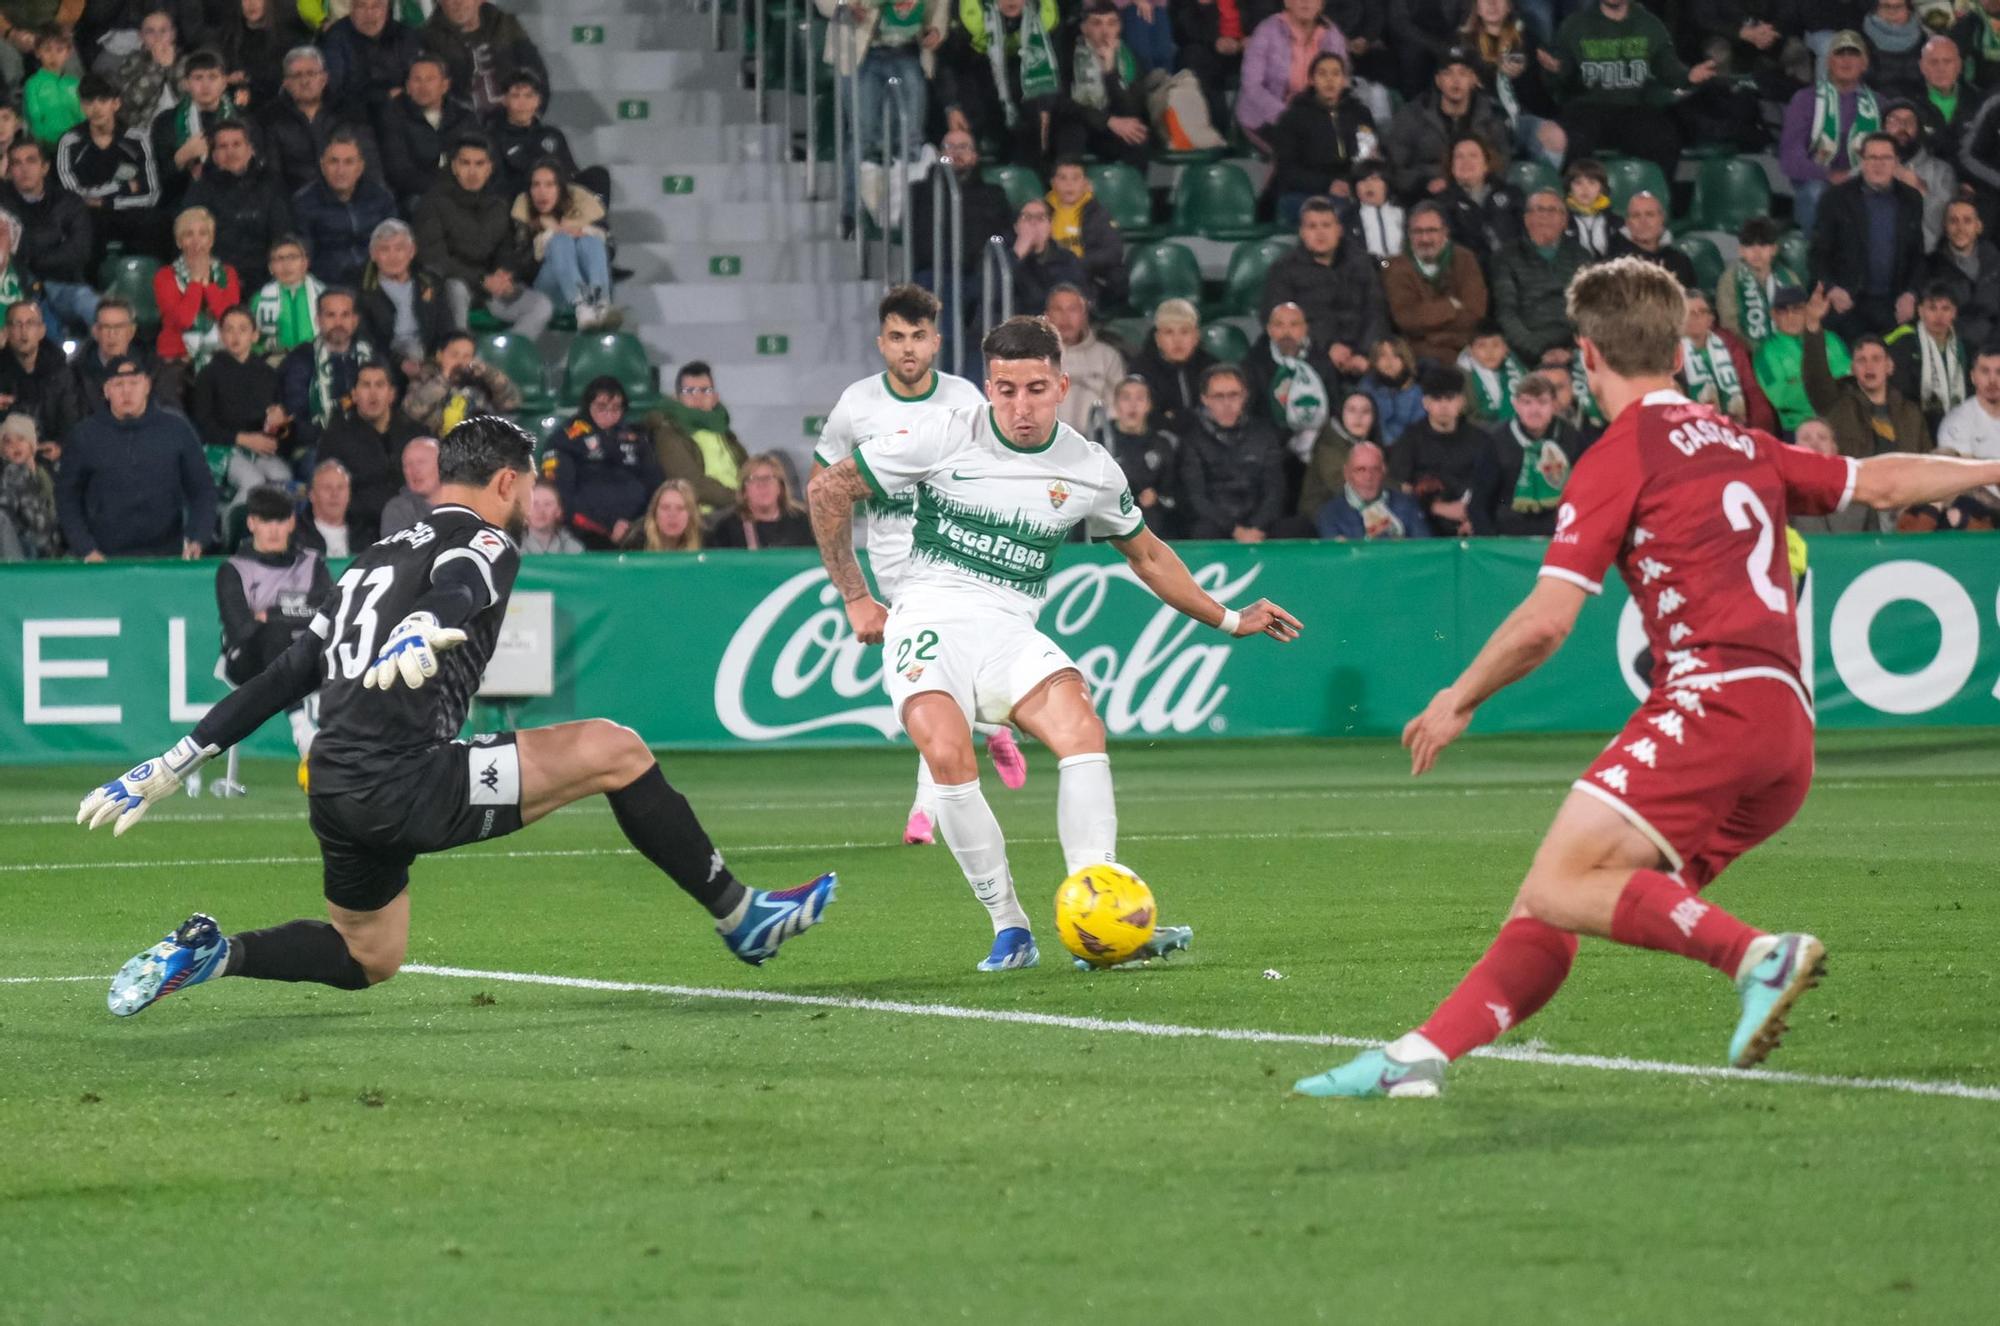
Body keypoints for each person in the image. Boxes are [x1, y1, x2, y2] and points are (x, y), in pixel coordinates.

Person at [1294, 255, 2000, 1100]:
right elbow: (1882, 480)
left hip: (1711, 705)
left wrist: (1458, 698)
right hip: (1786, 735)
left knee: (1562, 883)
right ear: (1675, 354)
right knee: (1558, 899)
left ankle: (1756, 956)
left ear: (1587, 357)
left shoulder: (1617, 455)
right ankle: (1420, 1057)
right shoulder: (1740, 440)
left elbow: (1547, 622)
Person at [83, 416, 836, 1023]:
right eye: (528, 486)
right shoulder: (486, 537)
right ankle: (742, 915)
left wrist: (176, 760)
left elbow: (284, 676)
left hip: (336, 786)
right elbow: (464, 580)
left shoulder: (373, 558)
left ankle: (217, 955)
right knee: (617, 749)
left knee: (369, 956)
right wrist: (426, 624)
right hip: (405, 778)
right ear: (506, 481)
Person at [807, 315, 1298, 970]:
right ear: (989, 387)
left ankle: (1100, 911)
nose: (1021, 406)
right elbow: (828, 487)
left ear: (1063, 386)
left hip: (1009, 629)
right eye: (1006, 390)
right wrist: (855, 594)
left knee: (1081, 727)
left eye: (1035, 389)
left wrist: (1232, 619)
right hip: (928, 617)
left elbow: (1149, 557)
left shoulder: (1090, 468)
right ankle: (1010, 926)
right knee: (947, 753)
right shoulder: (944, 433)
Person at [811, 284, 1018, 846]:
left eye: (919, 337)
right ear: (881, 343)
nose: (909, 349)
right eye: (897, 338)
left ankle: (924, 812)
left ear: (937, 342)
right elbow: (822, 486)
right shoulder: (857, 405)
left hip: (957, 559)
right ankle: (991, 723)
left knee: (931, 684)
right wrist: (852, 588)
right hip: (894, 571)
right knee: (937, 684)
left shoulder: (964, 400)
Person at [214, 482, 330, 767]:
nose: (274, 529)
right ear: (252, 523)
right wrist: (292, 615)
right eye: (266, 521)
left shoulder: (312, 563)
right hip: (246, 662)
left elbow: (330, 615)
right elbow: (240, 630)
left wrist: (273, 612)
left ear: (291, 522)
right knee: (275, 634)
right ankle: (301, 729)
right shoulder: (233, 570)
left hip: (305, 656)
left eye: (281, 520)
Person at [56, 355, 216, 561]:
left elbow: (203, 490)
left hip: (167, 556)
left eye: (134, 383)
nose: (127, 391)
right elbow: (67, 497)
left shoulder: (177, 429)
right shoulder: (84, 435)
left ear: (147, 385)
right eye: (118, 384)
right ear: (106, 390)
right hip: (103, 558)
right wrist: (86, 548)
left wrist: (197, 538)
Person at [1546, 0, 1716, 182]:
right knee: (1573, 142)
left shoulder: (1649, 24)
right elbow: (1561, 78)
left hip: (1633, 106)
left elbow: (1668, 68)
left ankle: (1654, 204)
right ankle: (1573, 205)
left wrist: (1688, 76)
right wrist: (1556, 71)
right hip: (1586, 106)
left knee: (1664, 140)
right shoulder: (1575, 25)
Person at [414, 135, 553, 339]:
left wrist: (503, 274)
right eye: (465, 163)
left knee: (541, 306)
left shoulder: (498, 204)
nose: (472, 171)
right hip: (454, 284)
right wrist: (481, 279)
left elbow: (506, 249)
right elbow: (434, 259)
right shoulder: (433, 203)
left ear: (489, 168)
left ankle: (500, 360)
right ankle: (460, 360)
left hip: (490, 288)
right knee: (456, 288)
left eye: (479, 164)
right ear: (454, 167)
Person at [1258, 196, 1385, 382]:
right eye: (1312, 226)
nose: (1320, 233)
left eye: (1326, 225)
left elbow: (1376, 312)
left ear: (1339, 230)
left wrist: (1365, 353)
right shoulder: (1284, 269)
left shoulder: (1361, 263)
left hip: (1360, 353)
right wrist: (1327, 347)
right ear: (1301, 232)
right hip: (1310, 354)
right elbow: (1277, 319)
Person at [1814, 132, 1926, 340]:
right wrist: (1831, 288)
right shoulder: (1835, 198)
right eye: (1872, 158)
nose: (1878, 164)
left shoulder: (1912, 199)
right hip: (1848, 304)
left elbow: (1917, 256)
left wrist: (1912, 293)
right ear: (1862, 161)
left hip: (1893, 306)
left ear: (1896, 163)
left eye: (1886, 158)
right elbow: (1818, 253)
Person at [544, 373, 661, 550]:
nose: (609, 414)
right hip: (587, 534)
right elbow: (560, 497)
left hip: (639, 529)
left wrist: (638, 524)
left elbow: (656, 483)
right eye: (602, 407)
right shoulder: (565, 439)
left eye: (616, 408)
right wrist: (607, 527)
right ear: (588, 406)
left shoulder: (636, 438)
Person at [1780, 28, 1880, 236]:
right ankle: (1819, 259)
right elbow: (1790, 159)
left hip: (1866, 182)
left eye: (1853, 53)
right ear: (1828, 62)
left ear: (1865, 63)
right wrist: (1829, 175)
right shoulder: (1805, 100)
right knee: (1817, 193)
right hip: (1819, 183)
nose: (1846, 60)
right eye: (1839, 53)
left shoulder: (1880, 104)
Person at [190, 304, 291, 506]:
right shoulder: (208, 374)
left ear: (255, 335)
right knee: (253, 482)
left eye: (243, 329)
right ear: (221, 335)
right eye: (229, 329)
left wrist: (280, 424)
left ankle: (268, 531)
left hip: (257, 447)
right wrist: (242, 439)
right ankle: (230, 531)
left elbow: (281, 429)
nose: (236, 336)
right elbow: (202, 426)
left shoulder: (268, 374)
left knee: (282, 478)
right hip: (221, 447)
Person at [1173, 362, 1287, 541]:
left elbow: (1275, 489)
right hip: (1216, 523)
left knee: (1296, 527)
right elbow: (1196, 498)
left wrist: (1257, 526)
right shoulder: (1192, 440)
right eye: (1218, 396)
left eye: (1234, 395)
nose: (1227, 403)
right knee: (1202, 531)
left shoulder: (1264, 435)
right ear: (1205, 399)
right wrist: (1235, 529)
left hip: (1260, 521)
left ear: (1245, 396)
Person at [1265, 51, 1378, 228]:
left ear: (1344, 80)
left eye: (1335, 73)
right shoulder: (1293, 118)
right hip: (1303, 193)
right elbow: (1287, 171)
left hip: (1351, 189)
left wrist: (1355, 184)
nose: (1329, 80)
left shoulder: (1360, 114)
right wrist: (1328, 184)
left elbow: (1370, 158)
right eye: (1322, 74)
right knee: (1344, 213)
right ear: (1311, 80)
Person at [56, 76, 162, 264]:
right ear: (82, 105)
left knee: (154, 222)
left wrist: (106, 202)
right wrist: (126, 187)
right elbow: (73, 196)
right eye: (89, 102)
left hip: (130, 213)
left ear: (116, 103)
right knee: (77, 224)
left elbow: (152, 192)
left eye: (103, 101)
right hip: (89, 217)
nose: (96, 109)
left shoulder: (137, 138)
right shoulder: (70, 141)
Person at [1384, 47, 1511, 202]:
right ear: (1438, 81)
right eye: (1448, 73)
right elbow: (1395, 167)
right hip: (1427, 198)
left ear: (1473, 79)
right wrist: (1425, 183)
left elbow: (1502, 162)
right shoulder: (1412, 115)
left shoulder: (1490, 116)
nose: (1455, 80)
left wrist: (1479, 180)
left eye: (1463, 73)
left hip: (1479, 195)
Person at [316, 360, 422, 543]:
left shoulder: (416, 434)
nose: (373, 393)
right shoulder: (336, 437)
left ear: (391, 394)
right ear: (355, 395)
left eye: (380, 385)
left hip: (415, 529)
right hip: (359, 531)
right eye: (366, 385)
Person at [1, 139, 96, 340]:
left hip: (64, 284)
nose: (24, 169)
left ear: (45, 167)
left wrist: (32, 259)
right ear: (9, 172)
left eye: (31, 161)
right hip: (20, 287)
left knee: (91, 303)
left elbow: (79, 252)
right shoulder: (3, 202)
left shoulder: (69, 202)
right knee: (36, 316)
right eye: (17, 163)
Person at [180, 120, 292, 292]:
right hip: (217, 280)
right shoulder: (200, 189)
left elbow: (281, 234)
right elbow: (190, 237)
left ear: (250, 149)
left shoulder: (271, 183)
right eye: (223, 146)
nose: (230, 152)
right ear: (214, 154)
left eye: (237, 144)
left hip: (265, 279)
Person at [1469, 371, 1583, 535]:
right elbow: (1479, 502)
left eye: (1542, 402)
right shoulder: (1496, 441)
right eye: (1527, 402)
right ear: (1516, 405)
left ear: (1554, 405)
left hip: (1560, 530)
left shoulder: (1571, 437)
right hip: (1510, 532)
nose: (1534, 410)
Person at [1235, 0, 1349, 153]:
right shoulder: (1266, 31)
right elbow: (1251, 86)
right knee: (1301, 150)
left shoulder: (1332, 35)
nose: (1306, 2)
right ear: (1287, 2)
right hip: (1266, 117)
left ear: (1321, 4)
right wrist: (1290, 116)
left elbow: (1341, 82)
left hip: (1315, 116)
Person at [514, 156, 614, 329]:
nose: (541, 192)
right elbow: (522, 266)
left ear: (561, 188)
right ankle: (582, 304)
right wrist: (550, 236)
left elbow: (610, 251)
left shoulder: (582, 204)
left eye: (549, 185)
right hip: (548, 291)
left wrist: (580, 231)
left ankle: (600, 303)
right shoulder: (523, 209)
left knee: (590, 241)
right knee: (560, 241)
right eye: (536, 185)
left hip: (589, 283)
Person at [1491, 189, 1588, 366]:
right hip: (1525, 351)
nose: (1545, 216)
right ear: (1527, 219)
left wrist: (1572, 351)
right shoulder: (1506, 257)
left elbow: (1590, 311)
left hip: (1573, 350)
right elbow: (1506, 313)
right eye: (1539, 210)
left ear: (1565, 220)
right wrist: (1537, 351)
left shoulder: (1581, 257)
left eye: (1552, 210)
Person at [1383, 199, 1486, 365]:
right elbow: (1406, 319)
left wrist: (1433, 335)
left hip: (1465, 351)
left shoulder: (1465, 258)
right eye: (1418, 231)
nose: (1425, 238)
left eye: (1432, 231)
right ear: (1409, 234)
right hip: (1421, 356)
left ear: (1445, 232)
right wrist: (1451, 305)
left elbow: (1475, 311)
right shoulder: (1395, 266)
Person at [279, 287, 379, 455]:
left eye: (345, 315)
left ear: (355, 321)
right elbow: (295, 421)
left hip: (368, 441)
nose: (338, 323)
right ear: (318, 320)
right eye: (331, 315)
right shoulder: (300, 360)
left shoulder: (371, 357)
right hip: (316, 446)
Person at [291, 130, 395, 289]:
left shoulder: (380, 197)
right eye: (334, 161)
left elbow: (393, 241)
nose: (341, 170)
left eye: (348, 162)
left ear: (360, 167)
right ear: (323, 165)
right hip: (328, 284)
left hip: (375, 280)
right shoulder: (304, 202)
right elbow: (305, 254)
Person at [1052, 1, 1152, 166]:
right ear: (1084, 28)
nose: (1105, 31)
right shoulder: (1066, 54)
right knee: (1071, 132)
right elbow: (1060, 104)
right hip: (1080, 120)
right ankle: (1067, 187)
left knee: (1137, 136)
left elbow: (1131, 109)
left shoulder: (1129, 59)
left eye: (1111, 24)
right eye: (1097, 23)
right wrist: (1106, 120)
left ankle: (1130, 189)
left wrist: (1110, 72)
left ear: (1119, 28)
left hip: (1111, 127)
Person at [1390, 364, 1485, 537]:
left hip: (1474, 522)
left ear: (1461, 402)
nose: (1443, 406)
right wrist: (1437, 507)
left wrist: (1473, 517)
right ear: (1425, 403)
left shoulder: (1480, 440)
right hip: (1423, 524)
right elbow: (1399, 487)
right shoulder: (1410, 440)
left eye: (1449, 398)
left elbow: (1491, 485)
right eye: (1436, 399)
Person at [1241, 299, 1332, 476]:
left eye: (1294, 325)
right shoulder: (1254, 363)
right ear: (1269, 330)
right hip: (1271, 442)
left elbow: (1334, 406)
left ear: (1305, 329)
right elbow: (1249, 412)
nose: (1286, 332)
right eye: (1279, 325)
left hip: (1315, 440)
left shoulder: (1321, 362)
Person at [648, 360, 749, 516]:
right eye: (690, 391)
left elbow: (747, 468)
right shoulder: (669, 430)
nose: (698, 397)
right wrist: (741, 497)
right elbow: (693, 485)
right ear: (677, 397)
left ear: (715, 397)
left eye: (705, 390)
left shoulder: (721, 429)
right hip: (705, 514)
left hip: (739, 506)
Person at [378, 52, 475, 211]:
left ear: (445, 85)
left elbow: (481, 157)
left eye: (430, 79)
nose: (423, 86)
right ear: (408, 87)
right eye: (417, 80)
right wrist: (445, 189)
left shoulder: (464, 116)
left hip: (464, 189)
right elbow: (399, 172)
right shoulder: (393, 116)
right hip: (418, 195)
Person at [358, 218, 453, 381]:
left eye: (399, 248)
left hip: (428, 357)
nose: (393, 257)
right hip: (386, 362)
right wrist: (400, 362)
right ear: (373, 255)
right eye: (384, 250)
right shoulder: (362, 291)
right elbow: (367, 341)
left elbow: (445, 328)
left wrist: (435, 360)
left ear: (412, 251)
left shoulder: (430, 283)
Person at [422, 0, 549, 118]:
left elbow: (536, 75)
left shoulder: (505, 25)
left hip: (514, 124)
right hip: (463, 130)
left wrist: (529, 121)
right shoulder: (428, 39)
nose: (458, 3)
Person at [153, 204, 239, 374]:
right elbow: (184, 320)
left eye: (203, 233)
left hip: (221, 354)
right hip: (177, 358)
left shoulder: (228, 273)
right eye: (188, 234)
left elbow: (229, 319)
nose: (196, 241)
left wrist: (208, 285)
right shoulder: (164, 276)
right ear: (179, 241)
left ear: (212, 239)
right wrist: (195, 283)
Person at [1756, 286, 1852, 435]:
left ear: (1808, 309)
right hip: (1799, 427)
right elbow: (1781, 397)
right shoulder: (1766, 352)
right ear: (1773, 315)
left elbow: (1849, 379)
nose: (1790, 316)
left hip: (1841, 421)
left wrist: (1800, 383)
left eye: (1797, 309)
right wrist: (1828, 386)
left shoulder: (1831, 339)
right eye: (1782, 311)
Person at [148, 48, 240, 202]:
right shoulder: (165, 122)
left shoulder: (242, 119)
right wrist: (180, 158)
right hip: (183, 200)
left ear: (224, 82)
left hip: (233, 199)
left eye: (213, 77)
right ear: (186, 83)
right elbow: (157, 180)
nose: (205, 85)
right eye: (198, 78)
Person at [1679, 287, 1776, 433]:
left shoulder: (1729, 344)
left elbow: (1750, 388)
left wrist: (1760, 431)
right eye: (1689, 313)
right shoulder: (1670, 354)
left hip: (1739, 428)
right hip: (1697, 433)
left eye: (1702, 311)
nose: (1696, 317)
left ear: (1711, 319)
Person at [487, 69, 589, 204]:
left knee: (597, 176)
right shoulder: (492, 138)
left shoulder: (553, 135)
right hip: (516, 207)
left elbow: (570, 173)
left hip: (557, 208)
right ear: (505, 100)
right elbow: (495, 187)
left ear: (538, 101)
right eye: (516, 96)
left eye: (529, 96)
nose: (522, 103)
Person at [1099, 374, 1178, 536]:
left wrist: (1157, 498)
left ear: (1149, 405)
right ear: (1116, 404)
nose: (1132, 405)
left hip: (1149, 518)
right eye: (1126, 398)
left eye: (1140, 398)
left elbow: (1173, 493)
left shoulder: (1162, 444)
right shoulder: (1098, 440)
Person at [0, 300, 86, 449]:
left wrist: (60, 446)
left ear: (42, 331)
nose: (23, 331)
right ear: (6, 331)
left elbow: (71, 421)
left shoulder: (60, 371)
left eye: (30, 323)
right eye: (17, 324)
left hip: (50, 455)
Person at [401, 329, 520, 436]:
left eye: (467, 356)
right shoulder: (424, 377)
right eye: (454, 355)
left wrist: (489, 374)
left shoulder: (480, 379)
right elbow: (413, 411)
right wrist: (444, 379)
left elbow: (511, 402)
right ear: (439, 355)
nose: (460, 361)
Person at [1885, 281, 1970, 427]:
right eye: (1932, 308)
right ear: (1920, 311)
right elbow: (1899, 389)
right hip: (1914, 420)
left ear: (1954, 313)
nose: (1939, 315)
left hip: (1960, 422)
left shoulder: (1965, 347)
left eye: (1945, 309)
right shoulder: (1905, 342)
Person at [1045, 157, 1126, 310]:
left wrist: (1078, 263)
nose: (1069, 184)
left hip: (1087, 272)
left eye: (1075, 178)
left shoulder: (1098, 213)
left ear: (1086, 183)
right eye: (1062, 178)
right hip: (1051, 272)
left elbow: (1113, 251)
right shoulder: (1042, 211)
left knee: (1118, 275)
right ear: (1053, 183)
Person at [322, 0, 425, 119]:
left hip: (403, 115)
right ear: (351, 9)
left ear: (387, 9)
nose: (369, 14)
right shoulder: (335, 38)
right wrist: (384, 97)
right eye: (361, 6)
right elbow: (333, 93)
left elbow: (417, 80)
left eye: (377, 6)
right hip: (354, 118)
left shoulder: (405, 36)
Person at [1129, 298, 1217, 434]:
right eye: (1169, 332)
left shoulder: (1212, 368)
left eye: (1184, 331)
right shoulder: (1141, 369)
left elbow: (1217, 413)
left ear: (1196, 336)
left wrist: (1173, 416)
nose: (1177, 340)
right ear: (1158, 339)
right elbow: (1146, 418)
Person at [1046, 282, 1124, 434]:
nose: (1065, 317)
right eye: (1058, 310)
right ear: (1047, 316)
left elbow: (1120, 407)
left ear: (1084, 315)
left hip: (1095, 445)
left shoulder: (1108, 357)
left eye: (1072, 310)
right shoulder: (1033, 357)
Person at [1923, 198, 2000, 349]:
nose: (1960, 228)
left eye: (1967, 221)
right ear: (1945, 227)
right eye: (1953, 221)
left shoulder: (1996, 260)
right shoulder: (1932, 265)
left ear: (1979, 226)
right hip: (1955, 348)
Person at [1716, 217, 1800, 352]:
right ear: (1741, 250)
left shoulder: (1788, 276)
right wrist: (1758, 350)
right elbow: (1729, 324)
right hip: (1748, 352)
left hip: (1788, 350)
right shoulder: (1730, 279)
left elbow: (1800, 314)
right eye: (1750, 246)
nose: (1757, 252)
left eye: (1763, 246)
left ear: (1774, 249)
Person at [1315, 439, 1428, 539]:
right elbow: (1340, 559)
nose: (1368, 477)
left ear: (1384, 472)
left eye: (1375, 469)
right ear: (1347, 473)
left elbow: (1425, 551)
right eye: (1360, 470)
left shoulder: (1407, 504)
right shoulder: (1330, 514)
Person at [1435, 132, 1521, 259]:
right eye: (1459, 157)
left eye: (1473, 155)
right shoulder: (1442, 204)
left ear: (1486, 164)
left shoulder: (1512, 195)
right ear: (1451, 167)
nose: (1466, 161)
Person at [1885, 96, 1954, 250]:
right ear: (1883, 127)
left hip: (1922, 258)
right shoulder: (1867, 167)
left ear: (1919, 128)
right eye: (1894, 121)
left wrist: (1921, 189)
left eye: (1909, 122)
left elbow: (1946, 225)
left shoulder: (1941, 172)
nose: (1902, 127)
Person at [706, 453, 815, 550]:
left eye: (769, 478)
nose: (762, 486)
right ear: (744, 492)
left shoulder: (803, 523)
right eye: (754, 480)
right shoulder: (727, 530)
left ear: (780, 488)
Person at [1298, 388, 1376, 518]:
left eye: (1365, 411)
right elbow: (1344, 486)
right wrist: (1398, 488)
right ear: (1341, 413)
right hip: (1321, 518)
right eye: (1351, 410)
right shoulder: (1328, 444)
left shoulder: (1370, 443)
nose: (1359, 417)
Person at [1007, 196, 1090, 314]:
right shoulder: (999, 258)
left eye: (1041, 218)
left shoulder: (1067, 260)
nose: (1034, 223)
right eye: (1027, 217)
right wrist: (1015, 256)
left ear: (1050, 227)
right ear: (1016, 227)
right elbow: (981, 294)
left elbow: (1080, 301)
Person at [75, 296, 161, 409]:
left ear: (131, 331)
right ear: (95, 332)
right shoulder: (76, 374)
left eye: (119, 327)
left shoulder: (153, 367)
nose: (112, 334)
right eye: (106, 327)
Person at [250, 234, 323, 358]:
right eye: (279, 259)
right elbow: (252, 340)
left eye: (292, 257)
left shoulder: (323, 295)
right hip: (273, 359)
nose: (286, 265)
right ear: (270, 268)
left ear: (305, 263)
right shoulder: (259, 300)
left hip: (315, 357)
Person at [0, 410, 59, 560]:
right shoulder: (11, 476)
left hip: (51, 551)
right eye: (8, 442)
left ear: (32, 444)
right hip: (26, 556)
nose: (15, 446)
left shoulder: (46, 474)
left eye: (21, 438)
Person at [1608, 192, 1697, 288]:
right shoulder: (1614, 263)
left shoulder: (1679, 260)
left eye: (1650, 214)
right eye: (1636, 216)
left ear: (1662, 219)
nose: (1643, 221)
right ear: (1627, 223)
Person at [1936, 343, 2000, 459]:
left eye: (1999, 372)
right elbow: (1961, 471)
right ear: (1972, 377)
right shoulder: (1956, 422)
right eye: (1985, 371)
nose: (1992, 380)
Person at [23, 25, 83, 147]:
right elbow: (34, 119)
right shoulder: (33, 84)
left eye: (59, 50)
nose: (53, 55)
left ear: (68, 53)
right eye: (47, 49)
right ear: (38, 52)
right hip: (46, 145)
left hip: (74, 144)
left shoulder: (74, 83)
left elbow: (82, 116)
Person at [1359, 334, 1424, 445]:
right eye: (1383, 356)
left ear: (1405, 360)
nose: (1389, 361)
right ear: (1375, 360)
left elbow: (1419, 429)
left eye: (1396, 356)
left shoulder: (1416, 392)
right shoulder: (1366, 388)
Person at [1458, 323, 1526, 423]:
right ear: (1470, 350)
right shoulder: (1460, 377)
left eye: (1496, 345)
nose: (1489, 352)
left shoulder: (1517, 368)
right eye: (1482, 346)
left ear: (1506, 348)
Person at [378, 433, 440, 536]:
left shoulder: (464, 500)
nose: (414, 470)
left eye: (421, 462)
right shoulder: (397, 509)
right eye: (407, 465)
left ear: (443, 465)